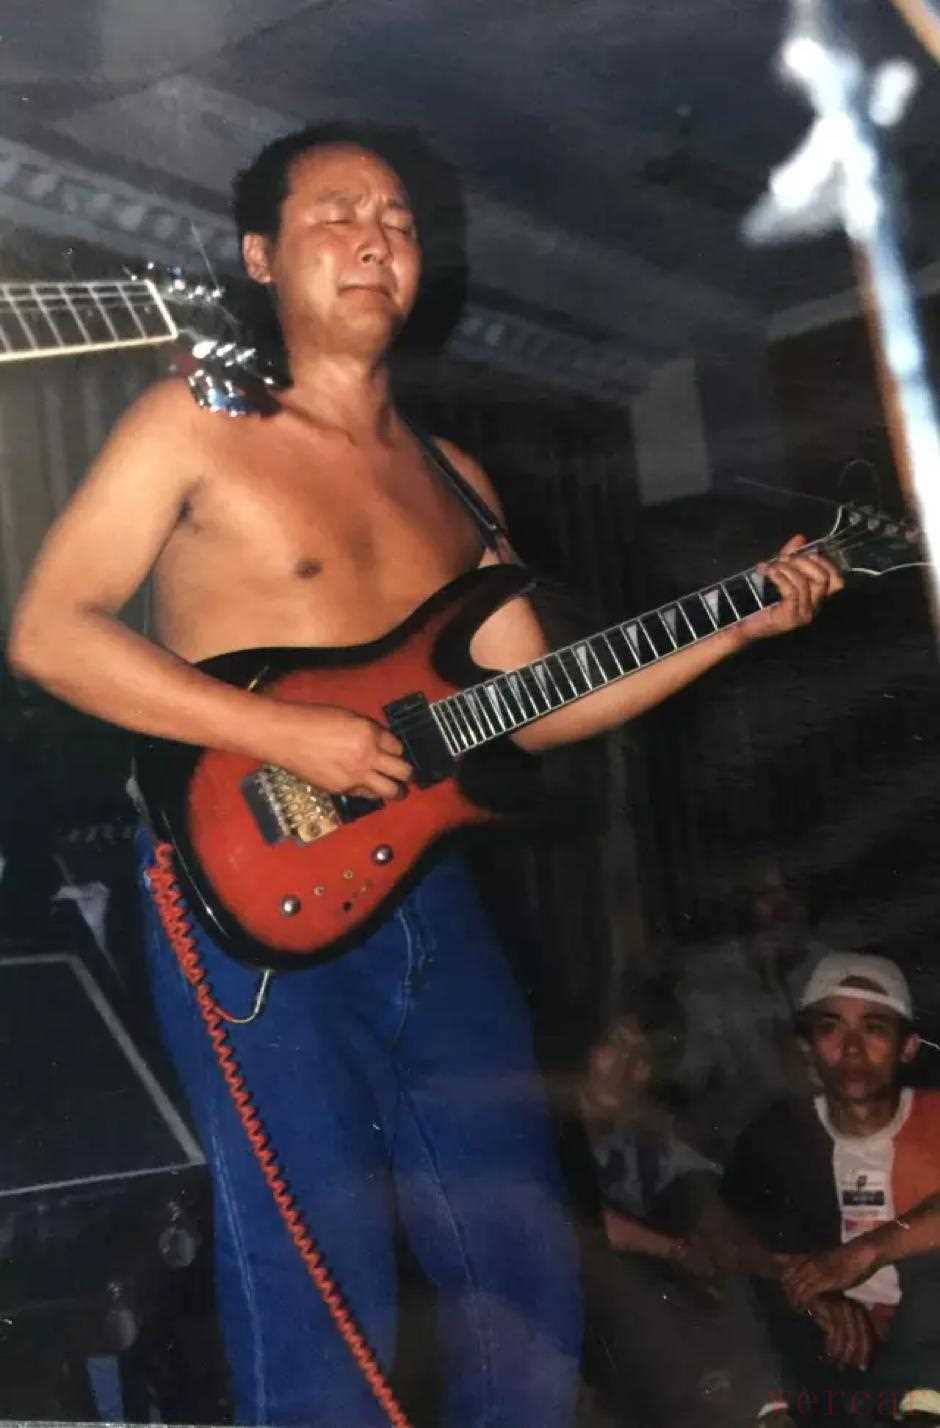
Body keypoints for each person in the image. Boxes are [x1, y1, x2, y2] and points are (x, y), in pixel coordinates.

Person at [7, 121, 843, 1427]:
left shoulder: (455, 481)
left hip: (428, 900)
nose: (374, 240)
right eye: (335, 215)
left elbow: (542, 702)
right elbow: (50, 633)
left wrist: (732, 624)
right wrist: (285, 735)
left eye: (396, 221)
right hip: (250, 885)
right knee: (313, 1271)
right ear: (260, 256)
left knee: (523, 1258)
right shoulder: (194, 422)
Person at [723, 952, 940, 1425]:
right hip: (834, 1347)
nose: (853, 1049)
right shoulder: (779, 1134)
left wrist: (866, 1252)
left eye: (874, 1028)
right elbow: (729, 1235)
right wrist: (812, 1291)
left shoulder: (935, 1117)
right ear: (807, 1048)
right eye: (831, 1028)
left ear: (908, 1047)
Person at [574, 988, 795, 1428]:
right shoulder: (541, 1127)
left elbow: (708, 1206)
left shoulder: (639, 1141)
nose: (628, 1066)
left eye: (644, 1057)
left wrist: (789, 1273)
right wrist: (674, 1250)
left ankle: (767, 1410)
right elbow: (572, 1219)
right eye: (615, 1043)